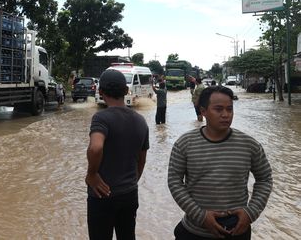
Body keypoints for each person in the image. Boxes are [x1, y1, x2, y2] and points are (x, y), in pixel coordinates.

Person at [168, 86, 272, 240]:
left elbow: (265, 179)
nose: (226, 115)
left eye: (229, 109)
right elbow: (174, 181)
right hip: (194, 232)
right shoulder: (184, 144)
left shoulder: (250, 145)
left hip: (237, 231)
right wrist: (201, 216)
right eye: (218, 109)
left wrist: (251, 213)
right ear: (203, 111)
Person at [86, 69, 150, 240]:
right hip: (129, 193)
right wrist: (130, 182)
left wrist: (92, 175)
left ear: (100, 92)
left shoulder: (101, 118)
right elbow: (141, 160)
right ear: (126, 91)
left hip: (102, 195)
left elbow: (96, 148)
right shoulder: (141, 121)